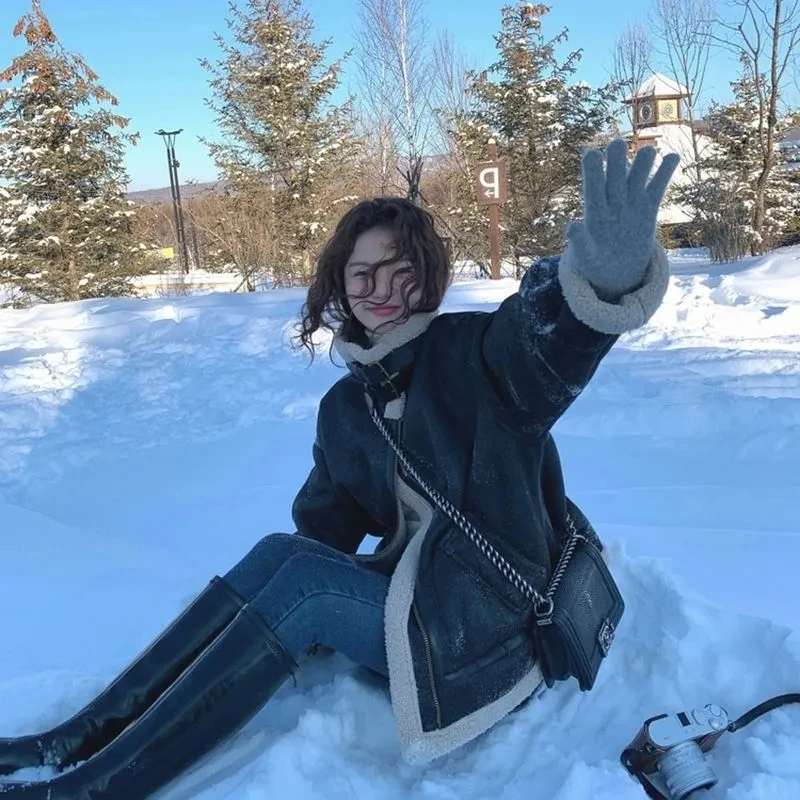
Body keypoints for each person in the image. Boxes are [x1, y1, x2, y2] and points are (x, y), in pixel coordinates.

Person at [0, 139, 679, 799]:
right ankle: (75, 739)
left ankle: (99, 787)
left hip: (493, 628)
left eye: (399, 270)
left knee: (303, 581)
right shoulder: (348, 407)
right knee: (282, 555)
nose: (380, 289)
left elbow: (544, 344)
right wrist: (265, 611)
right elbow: (318, 536)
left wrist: (600, 280)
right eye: (362, 273)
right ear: (340, 284)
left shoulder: (475, 356)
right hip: (424, 612)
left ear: (429, 277)